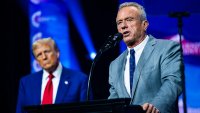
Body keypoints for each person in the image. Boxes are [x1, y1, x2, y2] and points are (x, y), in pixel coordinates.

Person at [108, 2, 183, 113]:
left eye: (129, 19)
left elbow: (172, 82)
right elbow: (114, 102)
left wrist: (155, 105)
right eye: (119, 22)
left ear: (144, 25)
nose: (123, 25)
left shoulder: (167, 48)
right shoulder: (115, 65)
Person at [16, 37, 90, 113]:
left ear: (57, 53)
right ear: (36, 61)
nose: (44, 57)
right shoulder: (26, 83)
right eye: (39, 55)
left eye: (47, 52)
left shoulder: (80, 80)